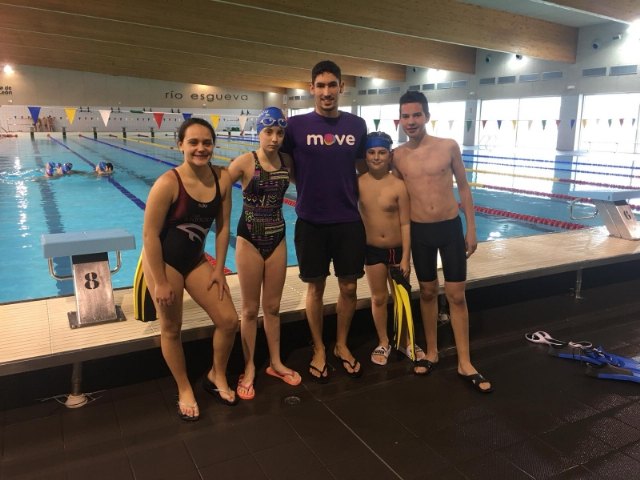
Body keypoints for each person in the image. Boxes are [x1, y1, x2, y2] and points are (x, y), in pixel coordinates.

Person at [392, 91, 492, 393]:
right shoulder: (397, 155)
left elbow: (464, 187)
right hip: (420, 232)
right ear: (400, 119)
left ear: (426, 116)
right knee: (426, 292)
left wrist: (471, 228)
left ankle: (465, 361)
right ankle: (432, 352)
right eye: (406, 116)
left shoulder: (448, 146)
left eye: (416, 115)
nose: (411, 121)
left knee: (456, 295)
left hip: (449, 228)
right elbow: (396, 200)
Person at [142, 117, 240, 421]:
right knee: (171, 328)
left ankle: (216, 375)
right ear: (180, 145)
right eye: (193, 142)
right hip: (163, 262)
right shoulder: (168, 183)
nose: (201, 148)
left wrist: (219, 268)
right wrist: (160, 281)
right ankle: (184, 388)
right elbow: (149, 236)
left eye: (207, 142)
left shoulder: (222, 179)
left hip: (196, 260)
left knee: (228, 320)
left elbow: (223, 228)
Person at [281, 60, 368, 382]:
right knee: (315, 288)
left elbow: (364, 170)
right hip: (311, 221)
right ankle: (318, 347)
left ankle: (341, 344)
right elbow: (287, 169)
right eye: (321, 86)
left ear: (341, 87)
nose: (327, 92)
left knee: (349, 286)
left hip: (348, 220)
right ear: (311, 89)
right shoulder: (295, 126)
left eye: (332, 85)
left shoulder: (357, 125)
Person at [227, 107, 301, 400]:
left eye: (280, 133)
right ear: (258, 132)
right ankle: (248, 367)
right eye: (268, 131)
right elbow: (215, 188)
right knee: (249, 309)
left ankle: (276, 362)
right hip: (249, 239)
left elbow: (308, 184)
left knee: (272, 307)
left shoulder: (287, 162)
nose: (274, 138)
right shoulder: (246, 161)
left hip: (277, 238)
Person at [358, 131, 430, 373]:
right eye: (371, 152)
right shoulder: (359, 183)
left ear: (390, 155)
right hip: (372, 251)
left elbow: (405, 224)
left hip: (397, 250)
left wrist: (406, 256)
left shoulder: (398, 185)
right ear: (365, 155)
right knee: (378, 298)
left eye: (381, 152)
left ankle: (406, 341)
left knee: (402, 297)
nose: (376, 157)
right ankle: (383, 342)